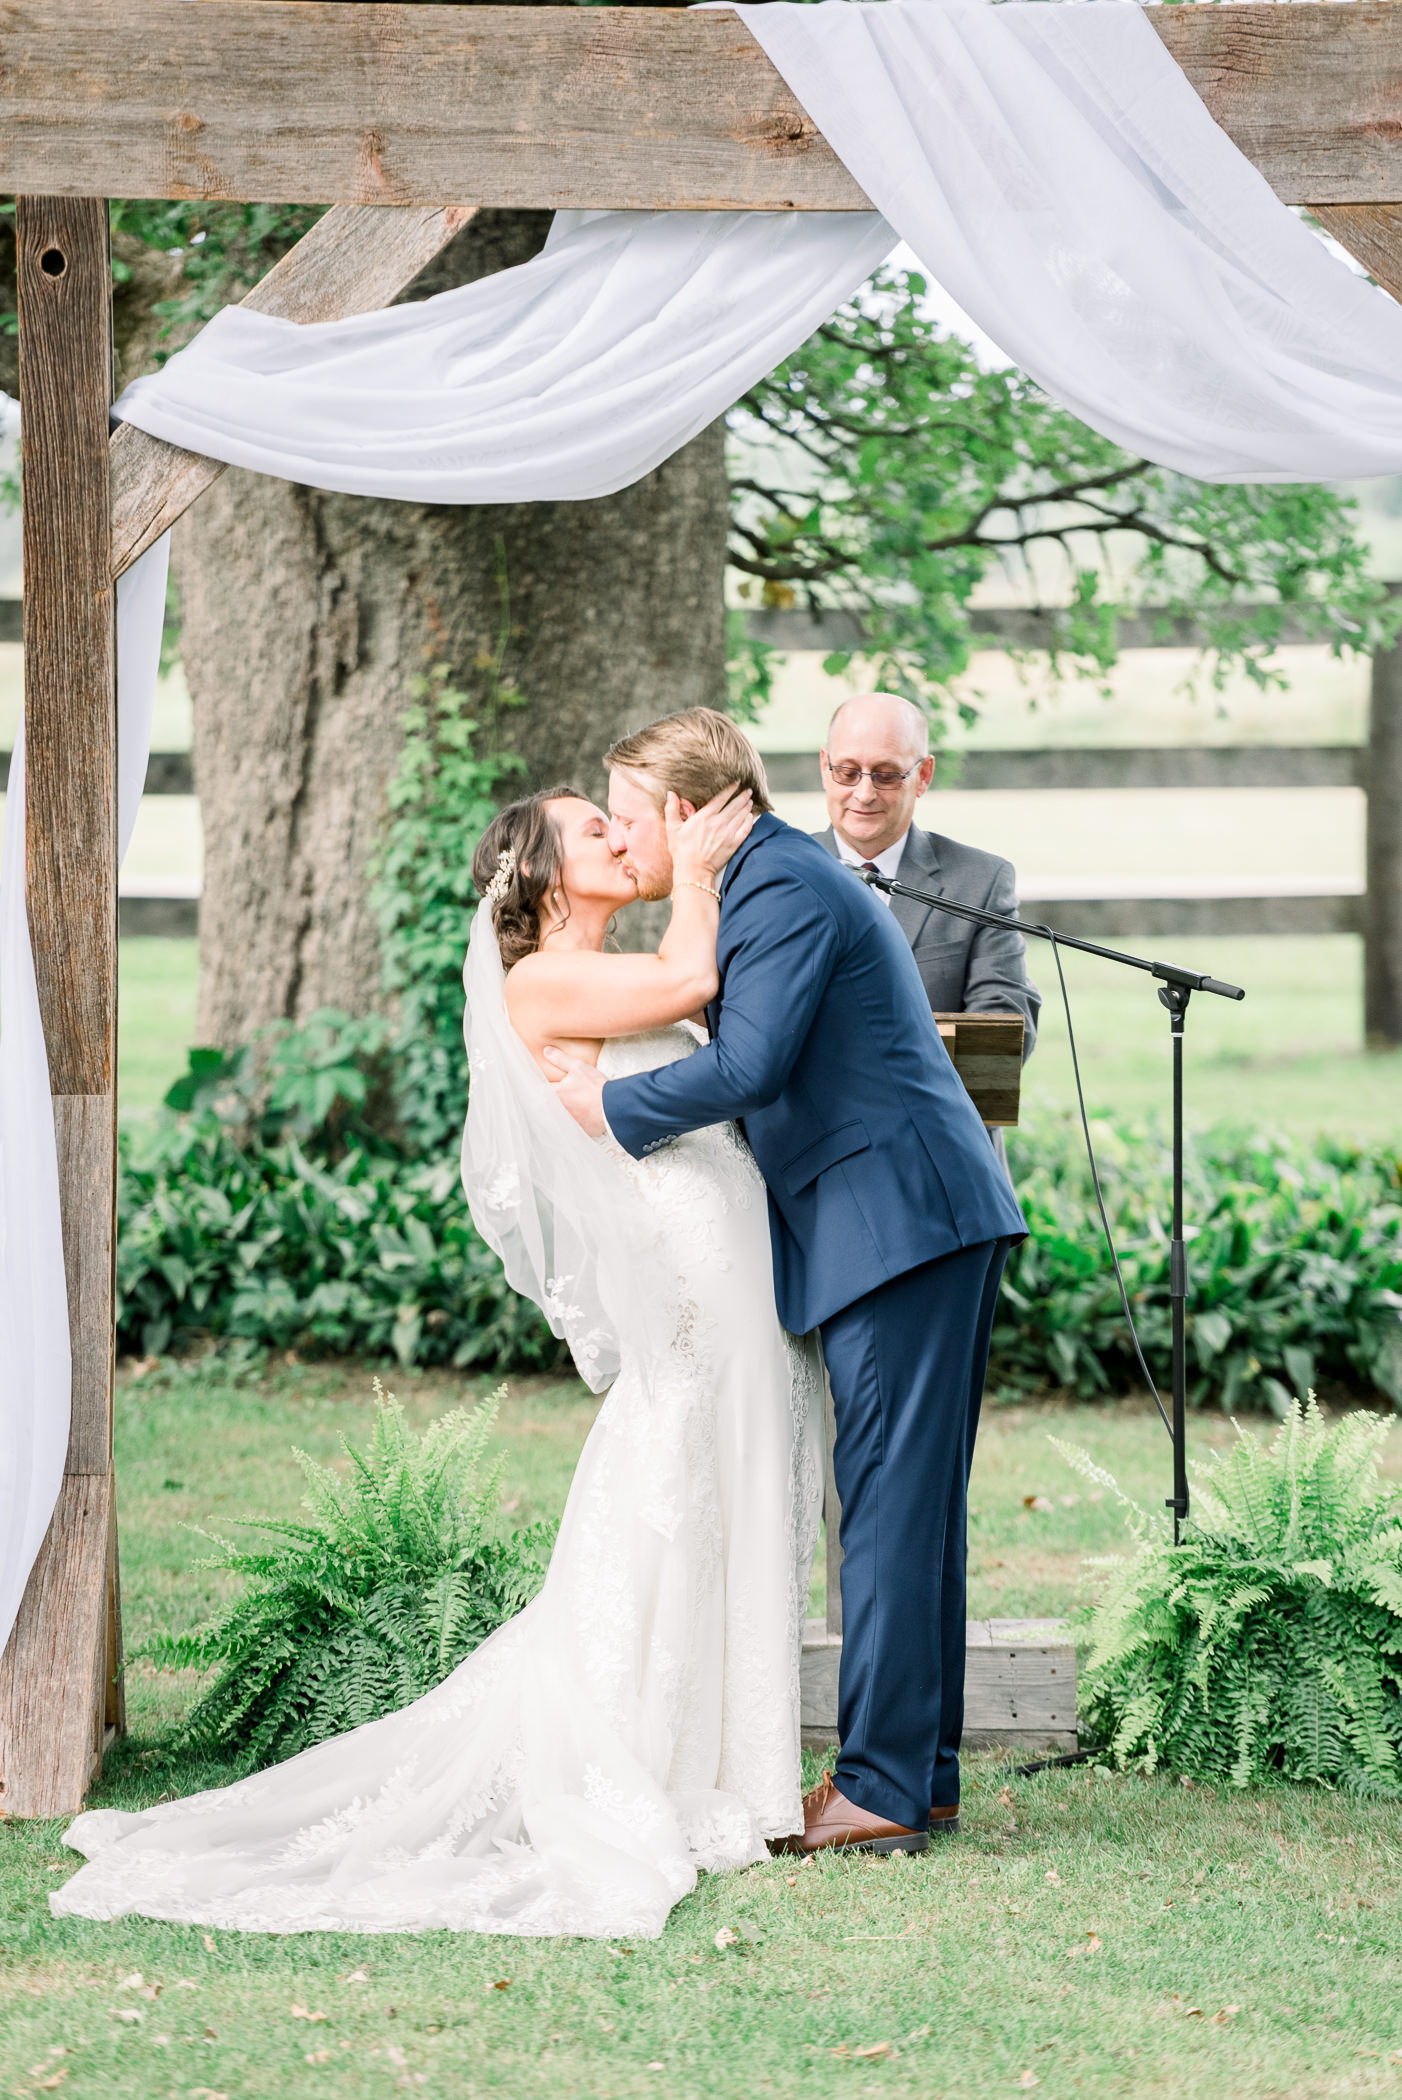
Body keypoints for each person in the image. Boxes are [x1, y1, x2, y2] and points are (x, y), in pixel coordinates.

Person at [52, 777, 825, 1942]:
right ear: (540, 876)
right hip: (683, 1290)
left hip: (717, 1264)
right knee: (678, 1496)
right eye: (590, 831)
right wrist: (706, 871)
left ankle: (739, 1769)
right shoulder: (544, 977)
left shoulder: (599, 959)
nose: (619, 836)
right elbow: (691, 985)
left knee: (720, 1498)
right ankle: (664, 1765)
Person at [551, 708, 1026, 1859]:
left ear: (681, 811)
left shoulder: (784, 886)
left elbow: (749, 1064)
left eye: (627, 814)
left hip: (901, 1223)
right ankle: (920, 1774)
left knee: (890, 1514)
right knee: (908, 1514)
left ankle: (878, 1792)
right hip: (901, 1223)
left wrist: (604, 1111)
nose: (622, 838)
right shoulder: (769, 875)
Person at [816, 691, 1040, 1061]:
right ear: (825, 767)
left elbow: (999, 1038)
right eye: (848, 772)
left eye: (887, 775)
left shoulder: (980, 882)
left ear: (923, 776)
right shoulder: (772, 874)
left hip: (934, 1117)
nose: (865, 793)